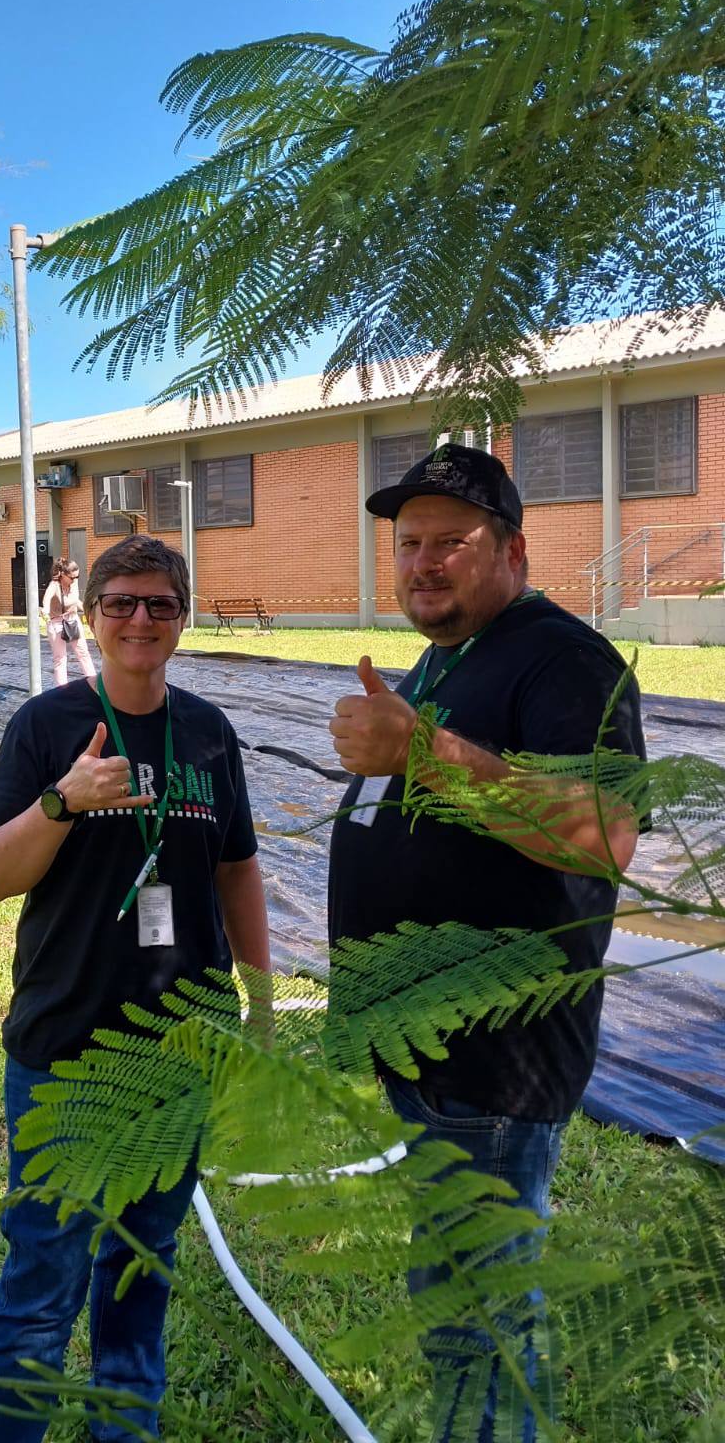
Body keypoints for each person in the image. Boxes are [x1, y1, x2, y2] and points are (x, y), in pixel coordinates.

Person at [327, 443, 645, 1442]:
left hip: (495, 1057)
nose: (422, 562)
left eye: (449, 543)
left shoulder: (564, 660)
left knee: (481, 1323)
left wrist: (421, 749)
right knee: (459, 1304)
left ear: (512, 550)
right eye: (407, 543)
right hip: (430, 1046)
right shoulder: (446, 655)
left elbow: (605, 833)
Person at [0, 534, 271, 1443]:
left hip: (182, 1055)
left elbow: (238, 871)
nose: (142, 619)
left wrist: (258, 1006)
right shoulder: (47, 726)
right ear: (90, 617)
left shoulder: (209, 733)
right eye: (121, 603)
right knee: (41, 1284)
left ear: (183, 618)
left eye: (161, 604)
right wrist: (62, 802)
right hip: (66, 1051)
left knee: (142, 1267)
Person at [40, 557, 96, 686]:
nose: (75, 580)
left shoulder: (74, 584)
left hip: (73, 620)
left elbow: (76, 601)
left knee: (83, 653)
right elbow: (46, 600)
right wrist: (45, 610)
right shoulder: (54, 585)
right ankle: (62, 689)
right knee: (60, 658)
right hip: (57, 622)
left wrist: (90, 612)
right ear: (63, 574)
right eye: (72, 577)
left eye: (77, 577)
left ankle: (94, 684)